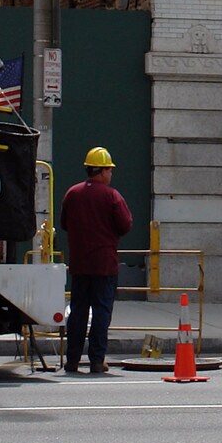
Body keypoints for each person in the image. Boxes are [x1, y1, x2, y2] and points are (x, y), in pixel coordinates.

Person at [60, 146, 133, 375]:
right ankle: (96, 360)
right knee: (101, 312)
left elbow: (64, 223)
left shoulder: (72, 194)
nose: (111, 174)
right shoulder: (112, 196)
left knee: (78, 312)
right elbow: (125, 225)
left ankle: (72, 360)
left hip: (80, 265)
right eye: (109, 170)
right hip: (104, 265)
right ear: (101, 171)